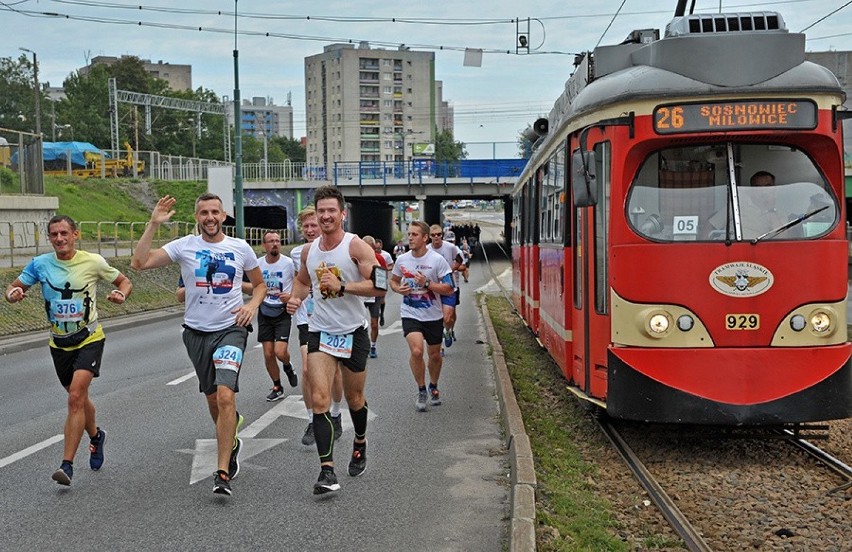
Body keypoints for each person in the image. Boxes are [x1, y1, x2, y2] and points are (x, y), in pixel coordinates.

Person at [131, 193, 267, 497]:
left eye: (215, 212)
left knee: (225, 396)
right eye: (204, 212)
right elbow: (139, 263)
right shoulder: (185, 246)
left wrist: (252, 306)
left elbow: (259, 285)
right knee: (213, 401)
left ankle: (222, 473)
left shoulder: (239, 247)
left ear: (223, 216)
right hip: (196, 334)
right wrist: (153, 224)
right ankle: (230, 438)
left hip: (232, 329)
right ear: (197, 217)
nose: (210, 217)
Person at [5, 215, 133, 486]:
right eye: (54, 235)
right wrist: (12, 294)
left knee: (75, 397)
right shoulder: (40, 264)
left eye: (64, 233)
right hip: (59, 343)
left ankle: (67, 465)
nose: (60, 239)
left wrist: (121, 294)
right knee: (79, 398)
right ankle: (96, 437)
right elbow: (14, 287)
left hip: (89, 338)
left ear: (75, 234)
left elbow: (124, 281)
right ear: (49, 238)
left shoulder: (93, 261)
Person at [286, 185, 386, 495]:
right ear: (315, 215)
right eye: (321, 211)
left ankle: (359, 441)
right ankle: (327, 471)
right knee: (319, 400)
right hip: (320, 331)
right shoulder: (309, 250)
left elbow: (380, 287)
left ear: (342, 214)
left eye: (332, 210)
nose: (326, 216)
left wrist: (344, 286)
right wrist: (295, 298)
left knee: (355, 399)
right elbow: (303, 281)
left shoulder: (356, 248)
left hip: (353, 332)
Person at [290, 207, 344, 446]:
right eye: (307, 227)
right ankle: (313, 419)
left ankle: (336, 412)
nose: (311, 231)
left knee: (335, 374)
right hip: (307, 320)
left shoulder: (339, 247)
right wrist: (292, 297)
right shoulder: (296, 253)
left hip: (334, 318)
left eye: (315, 225)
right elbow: (296, 281)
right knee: (306, 370)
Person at [389, 221, 454, 412]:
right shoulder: (402, 260)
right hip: (410, 313)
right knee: (417, 351)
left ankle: (433, 385)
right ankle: (421, 389)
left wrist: (428, 284)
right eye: (409, 234)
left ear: (425, 238)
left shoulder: (437, 260)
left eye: (414, 235)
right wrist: (398, 289)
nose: (410, 238)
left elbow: (449, 288)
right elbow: (393, 281)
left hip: (433, 314)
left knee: (434, 355)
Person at [242, 231, 298, 402]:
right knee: (268, 354)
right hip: (265, 310)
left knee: (280, 351)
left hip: (282, 311)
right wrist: (257, 290)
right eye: (271, 241)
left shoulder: (289, 263)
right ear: (264, 245)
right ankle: (277, 386)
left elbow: (299, 283)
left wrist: (291, 297)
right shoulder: (257, 265)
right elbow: (246, 285)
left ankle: (288, 366)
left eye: (277, 241)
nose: (275, 244)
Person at [429, 224, 463, 351]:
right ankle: (440, 346)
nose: (436, 237)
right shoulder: (427, 249)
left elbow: (460, 260)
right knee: (437, 318)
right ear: (429, 236)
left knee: (448, 318)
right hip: (434, 288)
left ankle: (448, 330)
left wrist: (450, 269)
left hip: (449, 287)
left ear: (442, 235)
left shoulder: (450, 247)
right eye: (433, 235)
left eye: (439, 234)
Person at [361, 236, 388, 358]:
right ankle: (360, 346)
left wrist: (382, 294)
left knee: (374, 324)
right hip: (360, 295)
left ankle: (373, 345)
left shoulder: (379, 258)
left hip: (374, 296)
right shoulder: (355, 259)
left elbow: (383, 278)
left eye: (369, 247)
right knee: (357, 323)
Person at [374, 238, 394, 326]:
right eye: (375, 248)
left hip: (382, 279)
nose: (377, 250)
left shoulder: (386, 255)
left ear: (381, 246)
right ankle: (375, 312)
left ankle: (381, 314)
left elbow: (391, 265)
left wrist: (384, 269)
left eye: (378, 248)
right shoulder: (370, 254)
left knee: (381, 298)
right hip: (372, 279)